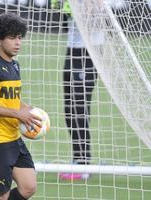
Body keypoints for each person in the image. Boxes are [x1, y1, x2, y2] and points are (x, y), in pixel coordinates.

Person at [0, 13, 41, 200]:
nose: (17, 43)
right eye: (12, 38)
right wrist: (16, 114)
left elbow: (11, 98)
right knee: (1, 195)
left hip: (13, 138)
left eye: (19, 37)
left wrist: (26, 108)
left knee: (28, 186)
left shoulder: (15, 65)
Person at [52, 0, 98, 180]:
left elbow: (98, 16)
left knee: (80, 107)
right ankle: (77, 158)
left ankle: (84, 163)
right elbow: (57, 10)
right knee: (69, 109)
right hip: (72, 51)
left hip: (90, 52)